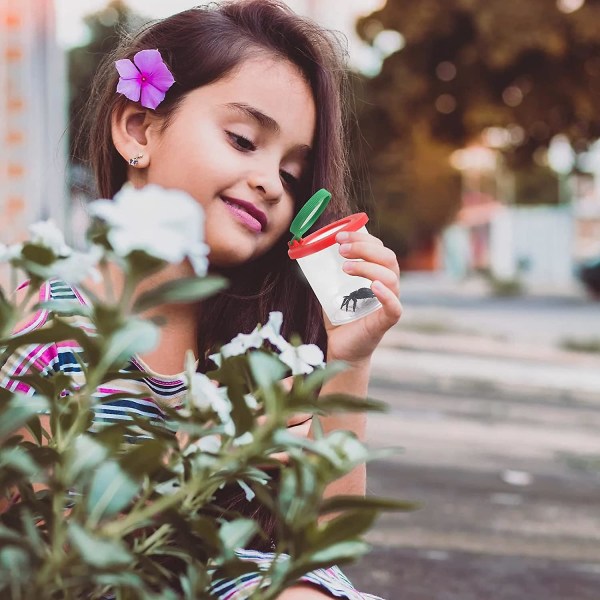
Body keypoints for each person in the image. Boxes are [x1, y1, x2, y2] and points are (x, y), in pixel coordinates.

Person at [3, 1, 402, 598]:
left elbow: (317, 544)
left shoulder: (263, 346)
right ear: (138, 128)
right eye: (243, 140)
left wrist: (350, 358)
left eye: (293, 175)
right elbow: (25, 545)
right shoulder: (51, 324)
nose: (271, 181)